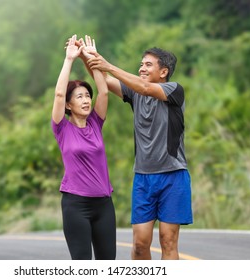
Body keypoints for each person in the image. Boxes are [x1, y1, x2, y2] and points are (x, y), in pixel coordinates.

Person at [85, 45, 193, 260]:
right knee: (140, 245)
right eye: (141, 64)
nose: (142, 68)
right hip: (143, 178)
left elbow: (144, 87)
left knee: (168, 241)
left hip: (173, 176)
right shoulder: (134, 92)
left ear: (163, 72)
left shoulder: (174, 90)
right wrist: (87, 58)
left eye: (148, 65)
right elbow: (104, 81)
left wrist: (107, 65)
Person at [51, 34, 116, 260]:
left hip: (104, 205)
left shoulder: (96, 123)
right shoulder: (62, 128)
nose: (86, 100)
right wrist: (69, 59)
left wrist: (91, 58)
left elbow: (105, 90)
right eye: (79, 97)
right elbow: (59, 93)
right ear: (69, 105)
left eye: (87, 96)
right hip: (75, 205)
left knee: (108, 264)